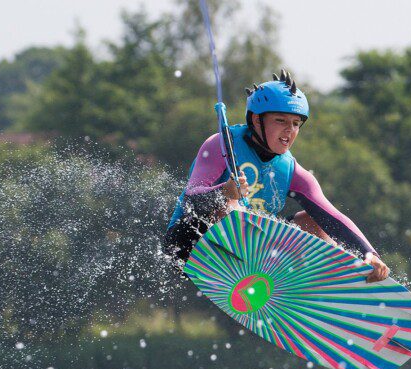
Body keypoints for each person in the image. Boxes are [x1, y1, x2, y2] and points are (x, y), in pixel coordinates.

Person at [163, 69, 390, 283]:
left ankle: (341, 280)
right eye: (280, 121)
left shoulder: (291, 170)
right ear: (256, 120)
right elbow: (191, 198)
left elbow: (331, 216)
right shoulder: (222, 143)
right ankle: (261, 271)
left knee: (314, 221)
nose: (289, 130)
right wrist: (224, 192)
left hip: (254, 252)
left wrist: (368, 252)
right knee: (230, 205)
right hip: (189, 245)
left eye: (295, 124)